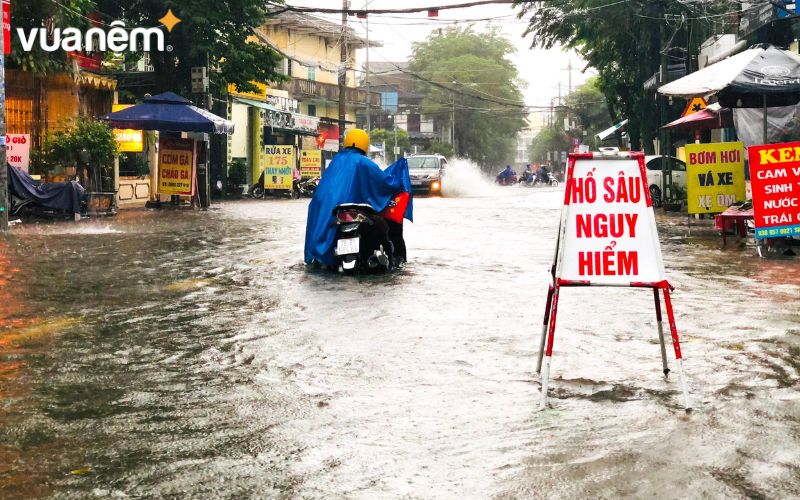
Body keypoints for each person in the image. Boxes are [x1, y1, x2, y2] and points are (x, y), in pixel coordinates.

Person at [304, 129, 412, 267]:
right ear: (364, 144)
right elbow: (383, 181)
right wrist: (399, 178)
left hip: (323, 206)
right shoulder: (362, 162)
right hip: (345, 208)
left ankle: (321, 256)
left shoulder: (336, 160)